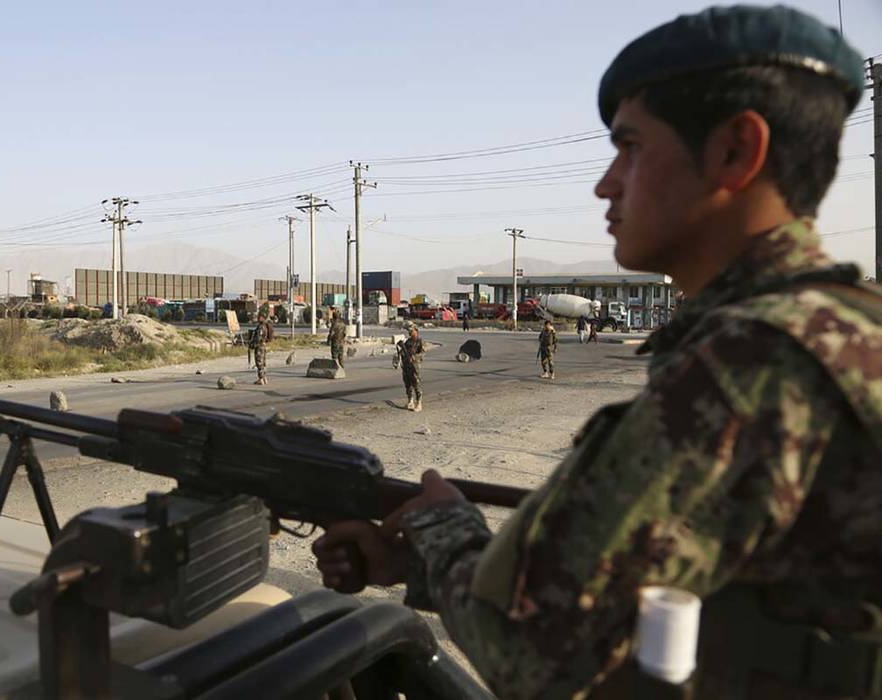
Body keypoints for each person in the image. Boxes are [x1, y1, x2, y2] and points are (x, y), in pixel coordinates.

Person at [312, 6, 881, 699]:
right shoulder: (848, 329)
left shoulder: (752, 364)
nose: (606, 183)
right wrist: (424, 567)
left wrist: (439, 525)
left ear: (736, 150)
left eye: (631, 148)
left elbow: (536, 654)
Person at [394, 324, 425, 412]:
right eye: (409, 331)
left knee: (416, 384)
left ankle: (419, 403)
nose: (410, 332)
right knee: (407, 384)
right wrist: (400, 353)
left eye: (411, 331)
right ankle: (410, 401)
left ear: (416, 331)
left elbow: (422, 353)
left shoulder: (419, 341)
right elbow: (402, 351)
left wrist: (414, 357)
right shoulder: (408, 341)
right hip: (406, 365)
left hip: (414, 366)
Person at [249, 311, 271, 385]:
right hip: (263, 346)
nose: (258, 318)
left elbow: (258, 338)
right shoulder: (265, 325)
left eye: (259, 316)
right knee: (263, 362)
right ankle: (264, 378)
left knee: (259, 363)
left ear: (262, 317)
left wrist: (252, 345)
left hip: (259, 346)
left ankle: (261, 379)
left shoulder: (261, 327)